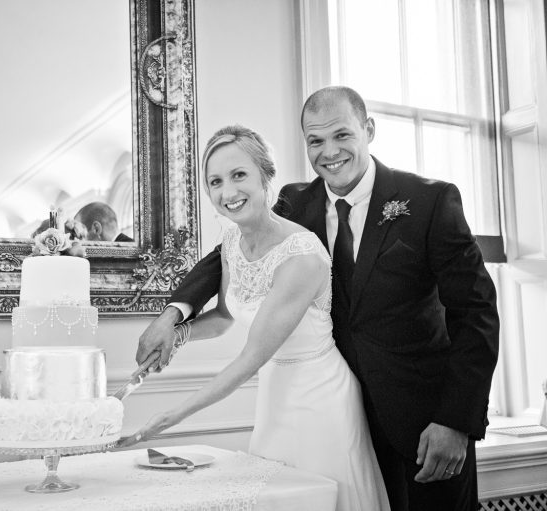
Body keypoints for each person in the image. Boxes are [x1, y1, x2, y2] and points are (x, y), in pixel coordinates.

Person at [133, 87, 499, 511]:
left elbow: (476, 314)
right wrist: (173, 317)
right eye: (315, 140)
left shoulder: (429, 200)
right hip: (336, 417)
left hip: (422, 423)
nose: (329, 152)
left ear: (369, 130)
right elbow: (228, 256)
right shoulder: (294, 203)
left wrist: (456, 420)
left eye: (342, 135)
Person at [119, 125, 390, 511]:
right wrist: (177, 336)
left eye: (239, 175)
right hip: (276, 394)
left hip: (320, 401)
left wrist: (171, 415)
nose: (228, 192)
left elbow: (250, 357)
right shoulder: (232, 243)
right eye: (215, 181)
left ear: (266, 177)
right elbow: (226, 317)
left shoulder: (301, 255)